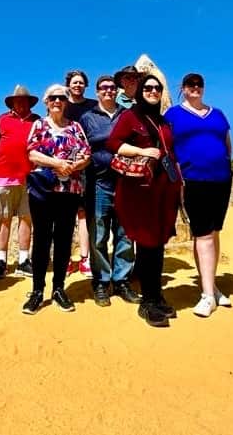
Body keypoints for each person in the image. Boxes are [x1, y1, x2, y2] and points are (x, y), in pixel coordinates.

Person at [107, 74, 182, 327]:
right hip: (140, 190)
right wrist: (142, 151)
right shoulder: (131, 117)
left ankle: (156, 295)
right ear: (140, 91)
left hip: (164, 190)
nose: (152, 91)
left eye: (156, 88)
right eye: (148, 88)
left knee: (158, 243)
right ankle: (148, 301)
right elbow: (113, 143)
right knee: (148, 243)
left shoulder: (162, 121)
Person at [164, 73, 233, 317]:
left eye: (199, 84)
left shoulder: (218, 114)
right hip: (192, 180)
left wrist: (225, 164)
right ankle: (206, 295)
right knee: (202, 234)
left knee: (213, 232)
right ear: (183, 89)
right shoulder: (173, 115)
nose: (195, 88)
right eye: (191, 85)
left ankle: (211, 285)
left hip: (221, 179)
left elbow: (227, 143)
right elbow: (167, 147)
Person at [22, 84, 91, 314]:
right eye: (53, 98)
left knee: (63, 240)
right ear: (47, 102)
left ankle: (59, 288)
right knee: (42, 239)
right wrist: (57, 163)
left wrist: (74, 166)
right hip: (43, 190)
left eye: (61, 98)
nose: (57, 102)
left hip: (69, 190)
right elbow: (32, 153)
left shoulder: (75, 127)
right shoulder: (39, 125)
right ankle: (37, 290)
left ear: (67, 101)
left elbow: (86, 154)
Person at [79, 75, 141, 306]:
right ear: (97, 92)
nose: (108, 91)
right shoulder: (88, 118)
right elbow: (80, 148)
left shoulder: (128, 115)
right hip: (98, 184)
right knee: (99, 236)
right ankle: (102, 282)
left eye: (112, 88)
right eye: (103, 88)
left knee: (125, 234)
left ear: (117, 91)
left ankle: (122, 280)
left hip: (126, 184)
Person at [0, 85, 39, 280]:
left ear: (29, 102)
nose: (21, 103)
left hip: (30, 178)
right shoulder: (1, 120)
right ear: (12, 103)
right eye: (17, 100)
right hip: (4, 177)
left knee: (26, 218)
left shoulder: (37, 121)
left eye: (24, 100)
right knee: (4, 218)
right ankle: (1, 261)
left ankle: (24, 260)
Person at [63, 69, 96, 277]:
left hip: (86, 165)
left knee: (83, 213)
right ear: (69, 85)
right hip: (63, 166)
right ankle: (65, 259)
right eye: (74, 82)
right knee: (65, 214)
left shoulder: (93, 106)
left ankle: (85, 259)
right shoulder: (61, 104)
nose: (77, 85)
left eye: (81, 82)